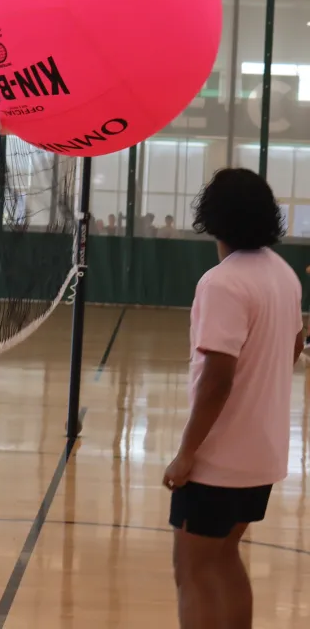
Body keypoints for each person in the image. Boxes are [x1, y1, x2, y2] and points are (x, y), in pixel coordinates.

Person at [163, 168, 303, 629]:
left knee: (193, 570)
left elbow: (217, 380)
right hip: (262, 455)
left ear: (212, 218)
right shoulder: (283, 274)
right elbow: (296, 345)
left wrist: (187, 453)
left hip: (219, 462)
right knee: (224, 558)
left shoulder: (221, 283)